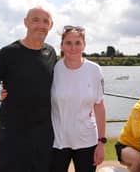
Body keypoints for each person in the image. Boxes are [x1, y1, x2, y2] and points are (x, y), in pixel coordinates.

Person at [0, 6, 57, 172]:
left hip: (44, 135)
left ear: (50, 25)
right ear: (26, 22)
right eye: (35, 20)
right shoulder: (8, 53)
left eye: (45, 21)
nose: (40, 25)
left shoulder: (51, 53)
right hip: (14, 135)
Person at [50, 25, 106, 172]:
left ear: (84, 45)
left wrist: (101, 143)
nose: (73, 47)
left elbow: (99, 107)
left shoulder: (94, 70)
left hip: (87, 140)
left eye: (77, 43)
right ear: (61, 46)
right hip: (58, 140)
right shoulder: (54, 69)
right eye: (68, 43)